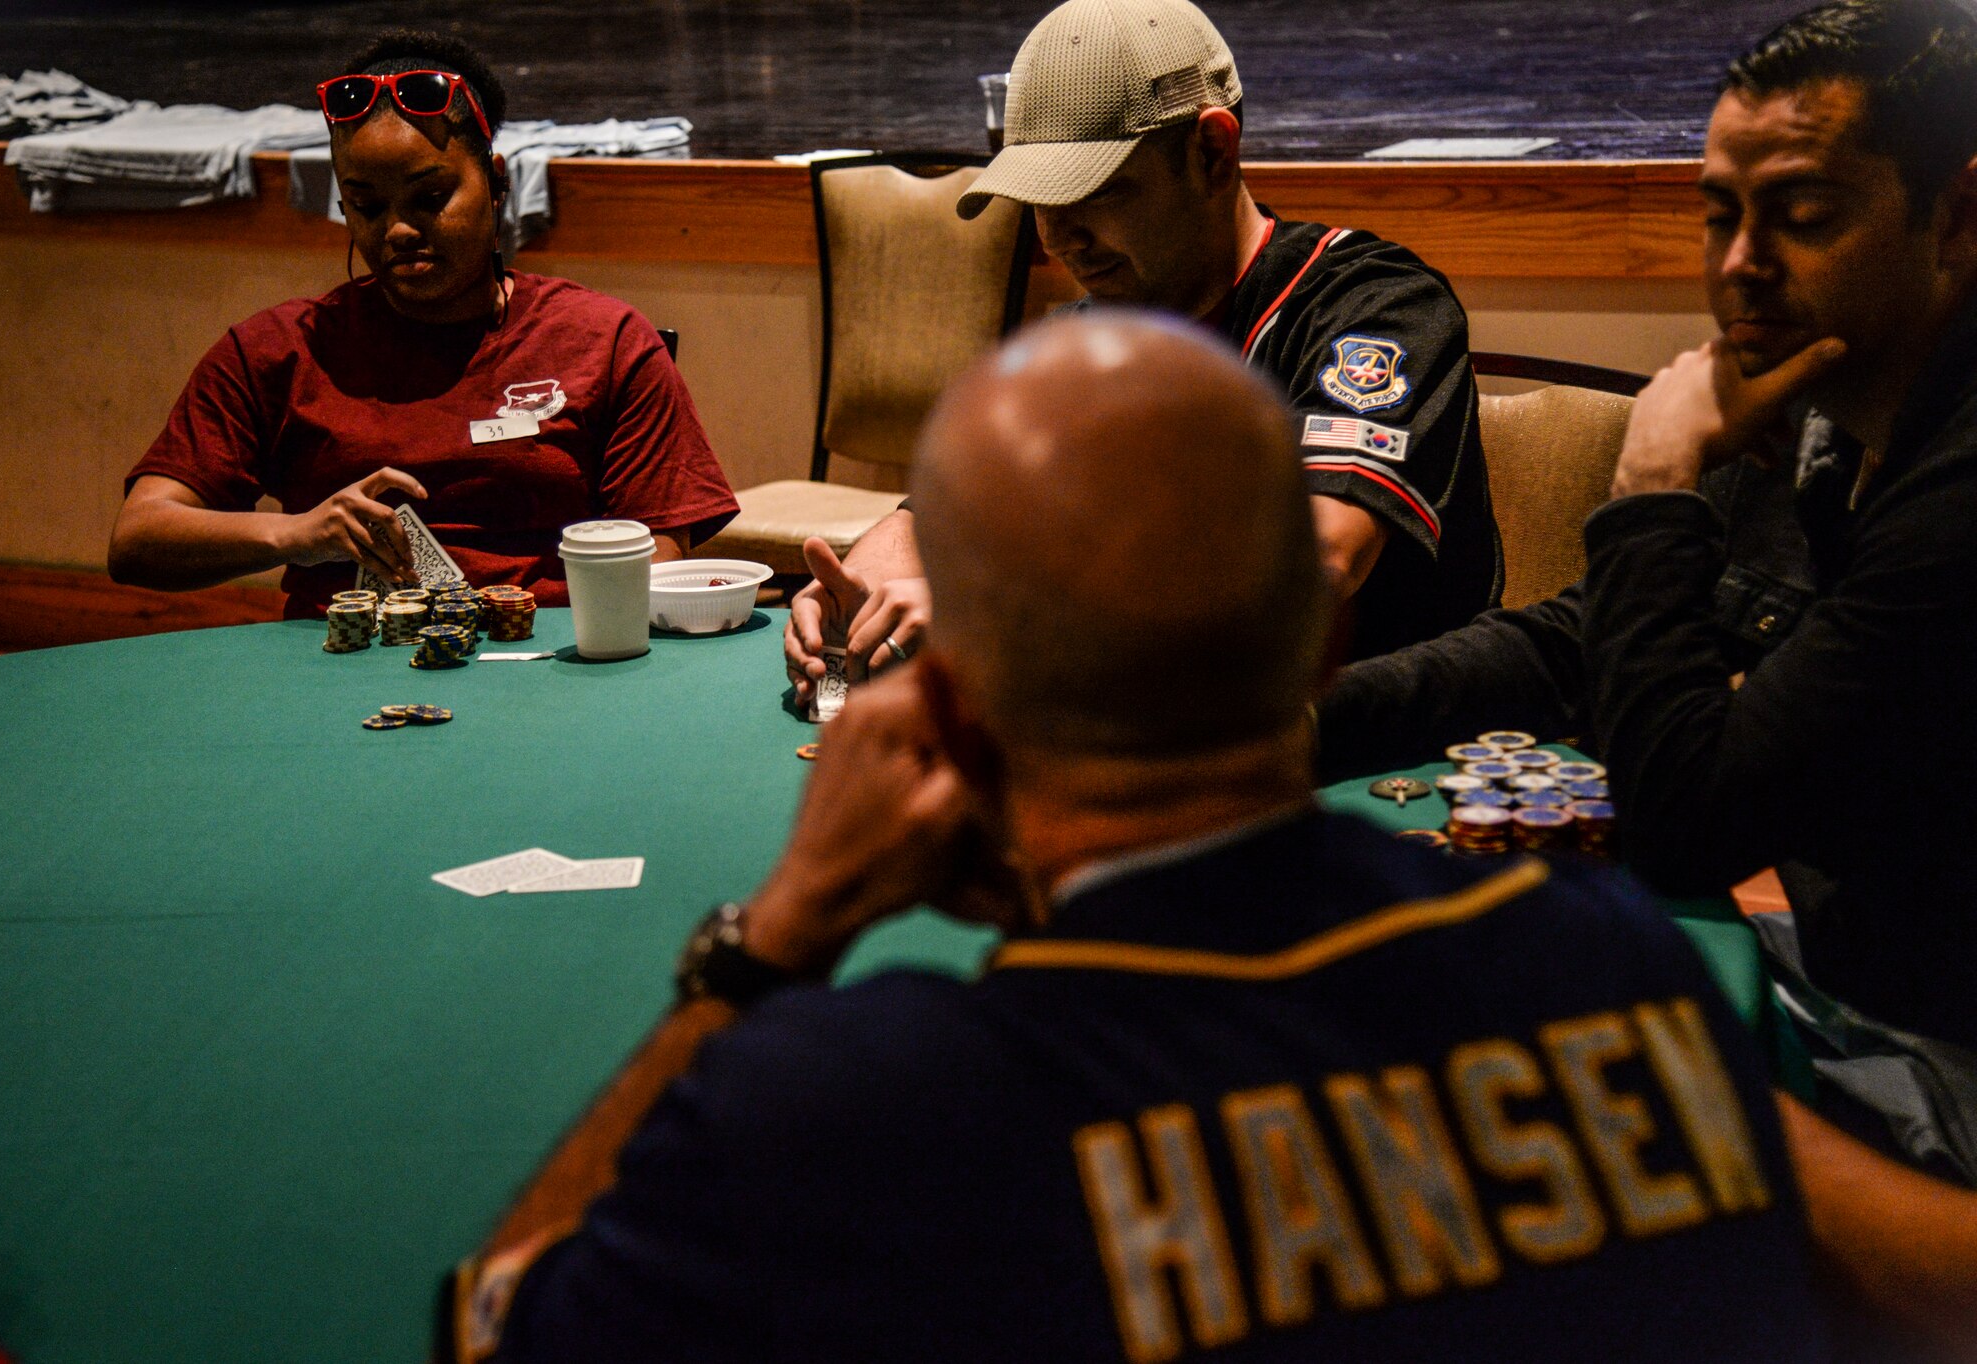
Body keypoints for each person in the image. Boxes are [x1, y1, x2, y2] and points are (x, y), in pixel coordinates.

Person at [450, 315, 1823, 1364]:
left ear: (944, 693)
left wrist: (773, 942)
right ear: (1329, 640)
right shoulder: (1607, 962)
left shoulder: (845, 1106)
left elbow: (493, 1318)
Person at [1316, 0, 1977, 1066]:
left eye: (1802, 213)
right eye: (1721, 215)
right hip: (1845, 969)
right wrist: (1290, 722)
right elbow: (1572, 644)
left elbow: (1684, 819)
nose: (1739, 266)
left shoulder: (1953, 497)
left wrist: (1653, 478)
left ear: (1956, 216)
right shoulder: (1814, 402)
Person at [782, 0, 1504, 708]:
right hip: (1150, 752)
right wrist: (857, 600)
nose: (1057, 238)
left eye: (1093, 191)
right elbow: (934, 520)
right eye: (1038, 200)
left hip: (1374, 754)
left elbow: (1316, 560)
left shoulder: (1377, 308)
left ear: (1212, 152)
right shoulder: (1080, 347)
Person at [108, 30, 738, 618]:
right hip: (339, 673)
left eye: (431, 197)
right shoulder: (278, 349)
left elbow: (662, 547)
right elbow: (139, 539)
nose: (400, 231)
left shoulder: (602, 341)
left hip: (545, 663)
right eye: (367, 206)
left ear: (496, 183)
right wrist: (295, 533)